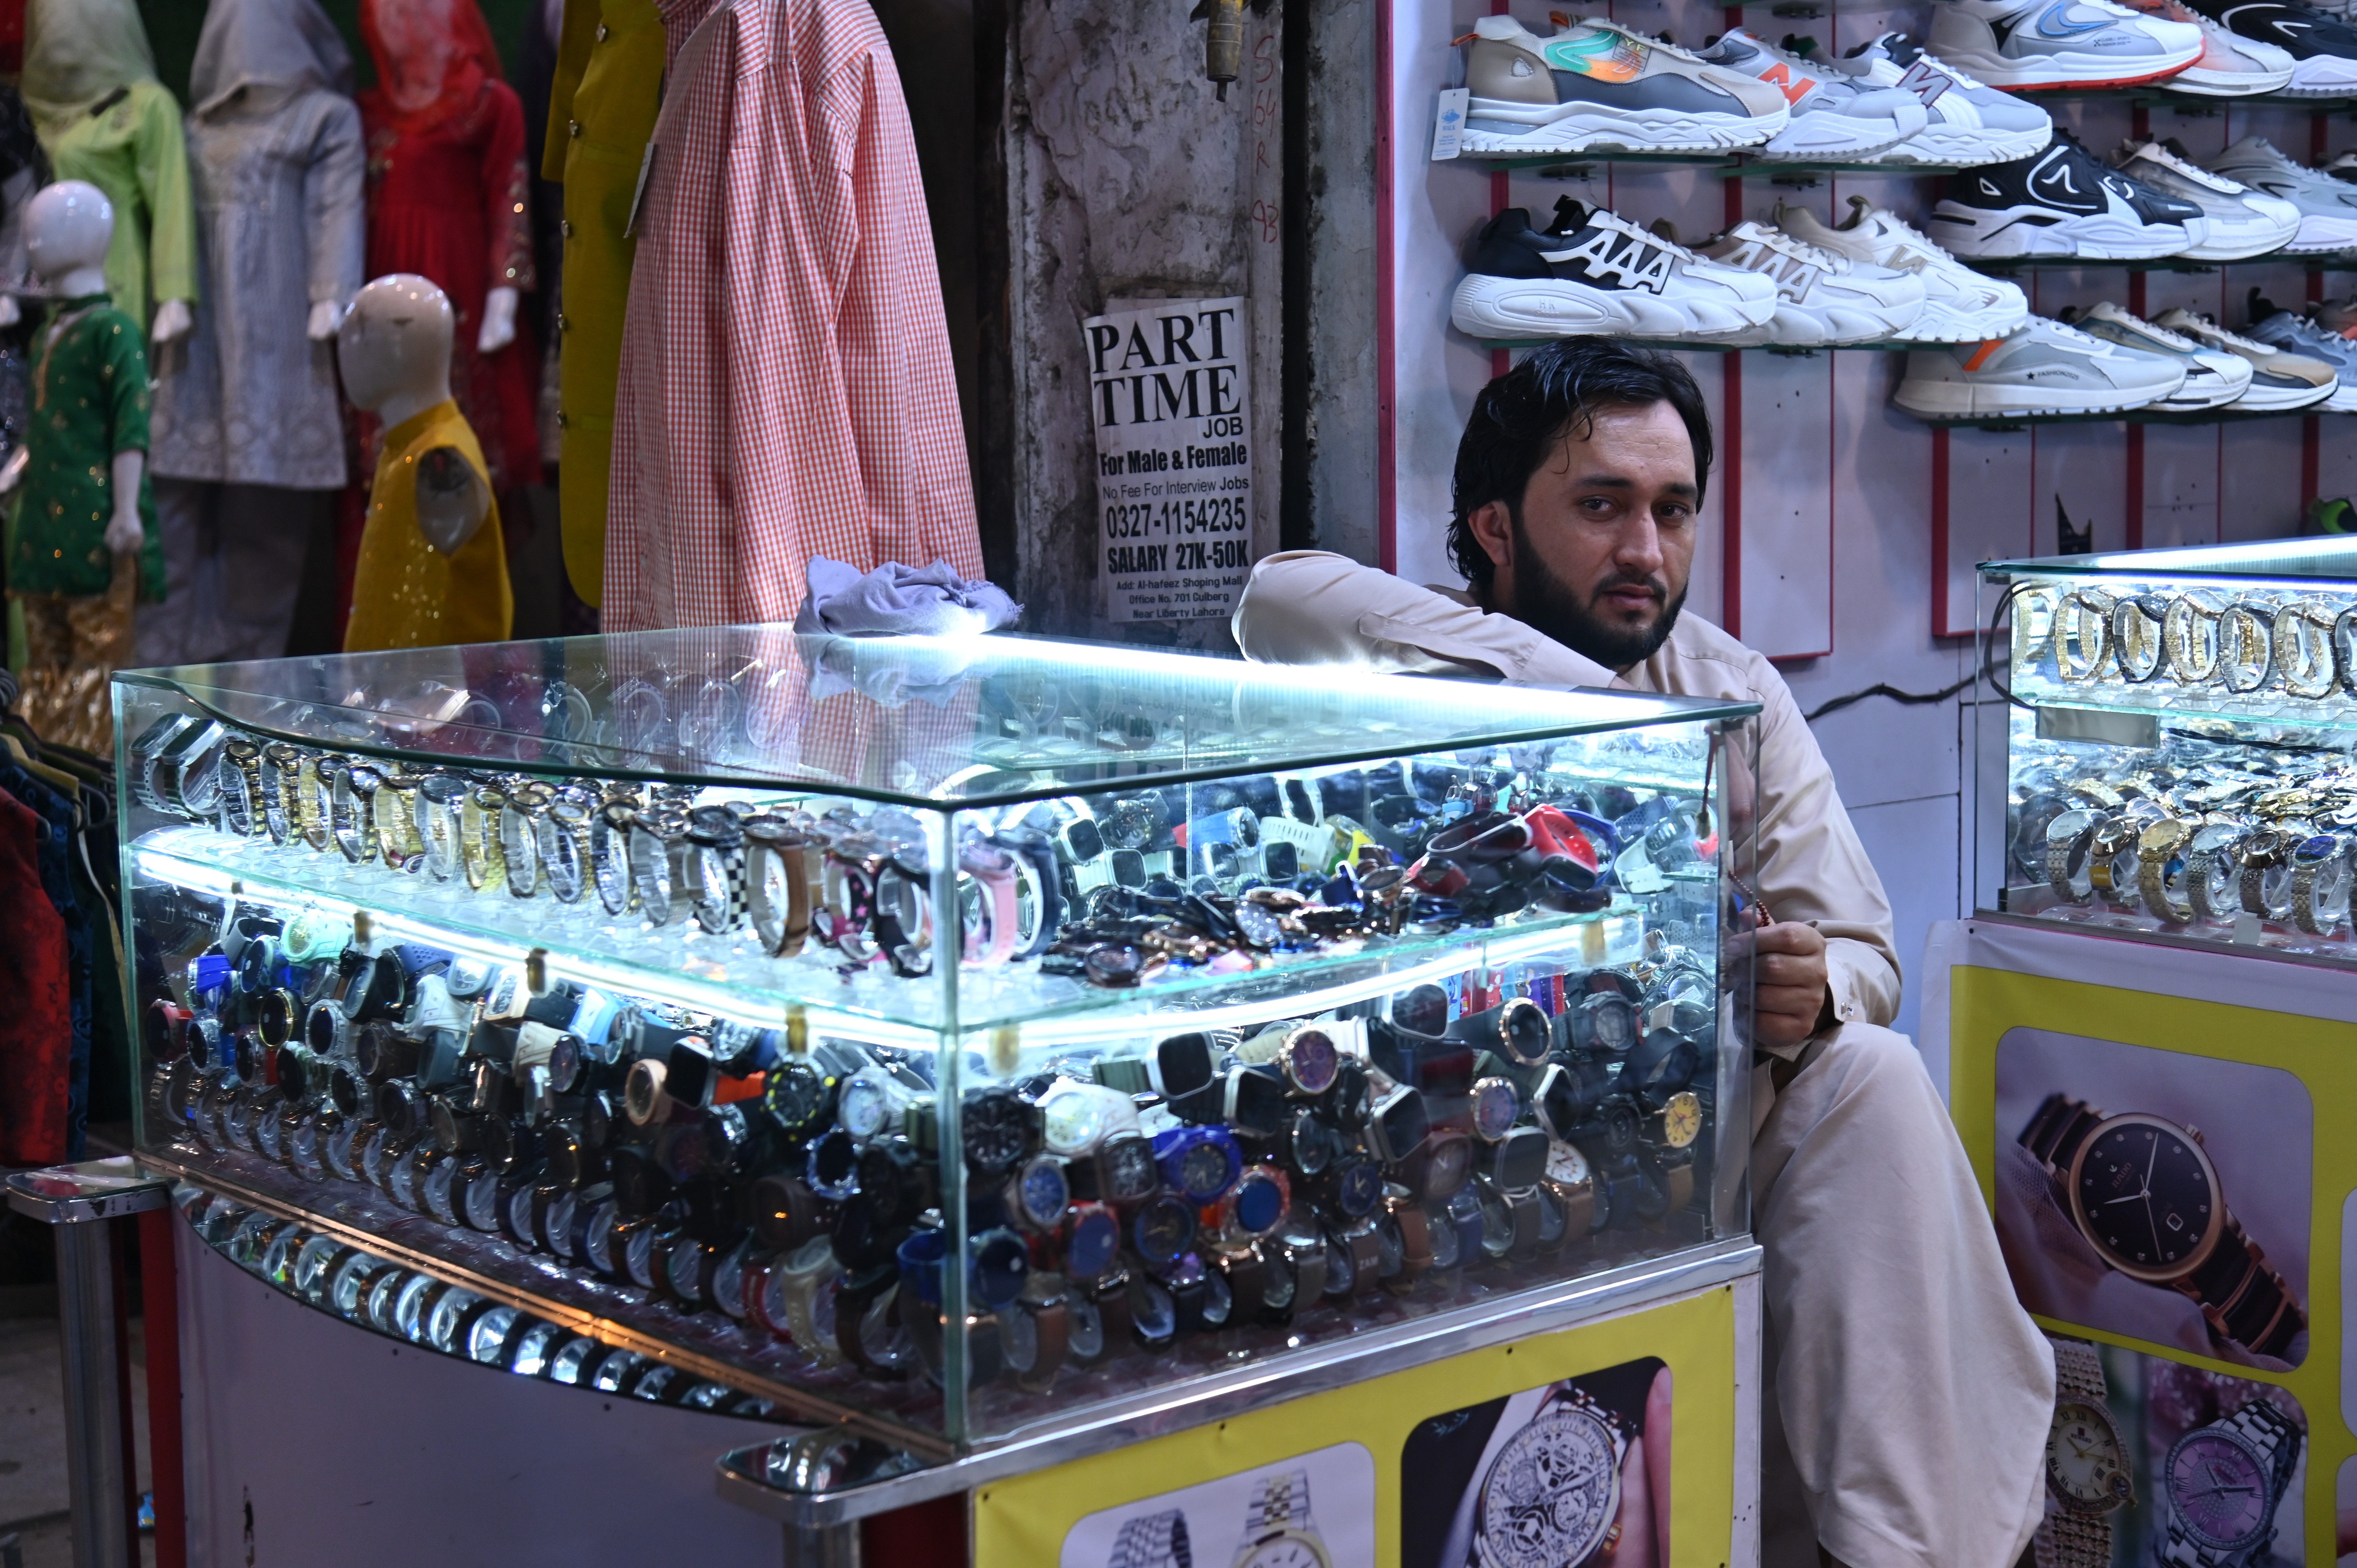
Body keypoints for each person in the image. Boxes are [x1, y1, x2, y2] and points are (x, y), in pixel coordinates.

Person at [1232, 336, 2054, 1568]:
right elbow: (1277, 598)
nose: (1646, 552)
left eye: (1674, 512)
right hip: (1456, 1145)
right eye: (1603, 505)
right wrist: (1589, 703)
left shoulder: (1731, 688)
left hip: (1678, 1143)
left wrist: (1810, 988)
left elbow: (1866, 956)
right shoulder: (1422, 666)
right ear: (1496, 530)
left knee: (1871, 1081)